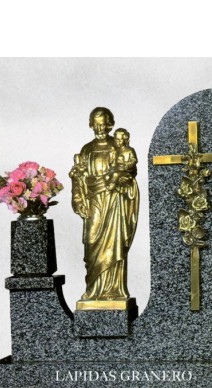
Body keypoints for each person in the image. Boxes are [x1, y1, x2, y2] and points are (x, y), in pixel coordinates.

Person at [70, 108, 139, 302]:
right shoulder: (87, 149)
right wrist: (78, 198)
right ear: (91, 125)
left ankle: (113, 290)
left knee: (115, 243)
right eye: (96, 124)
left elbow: (129, 171)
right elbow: (79, 176)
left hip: (114, 200)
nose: (100, 128)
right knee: (91, 241)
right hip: (94, 200)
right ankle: (94, 289)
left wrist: (123, 178)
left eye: (103, 124)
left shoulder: (117, 145)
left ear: (110, 124)